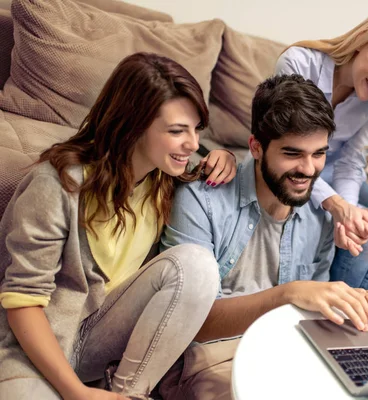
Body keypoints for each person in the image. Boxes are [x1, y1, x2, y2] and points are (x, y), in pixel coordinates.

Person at [0, 52, 238, 400]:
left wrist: (227, 156)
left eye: (196, 130)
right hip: (34, 348)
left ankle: (127, 395)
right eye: (177, 131)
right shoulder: (56, 185)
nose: (192, 143)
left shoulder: (164, 178)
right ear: (134, 125)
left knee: (197, 264)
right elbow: (23, 304)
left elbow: (232, 162)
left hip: (99, 339)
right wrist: (77, 392)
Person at [159, 74, 368, 399]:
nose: (308, 169)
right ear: (256, 147)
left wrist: (354, 309)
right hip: (211, 358)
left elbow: (311, 310)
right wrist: (287, 294)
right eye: (293, 154)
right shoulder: (201, 200)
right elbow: (184, 319)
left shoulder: (318, 214)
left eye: (319, 153)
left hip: (290, 351)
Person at [275, 4, 368, 291]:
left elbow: (351, 161)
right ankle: (332, 309)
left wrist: (347, 208)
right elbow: (289, 153)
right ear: (364, 38)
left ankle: (351, 320)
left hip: (334, 174)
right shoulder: (298, 65)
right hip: (293, 170)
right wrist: (337, 206)